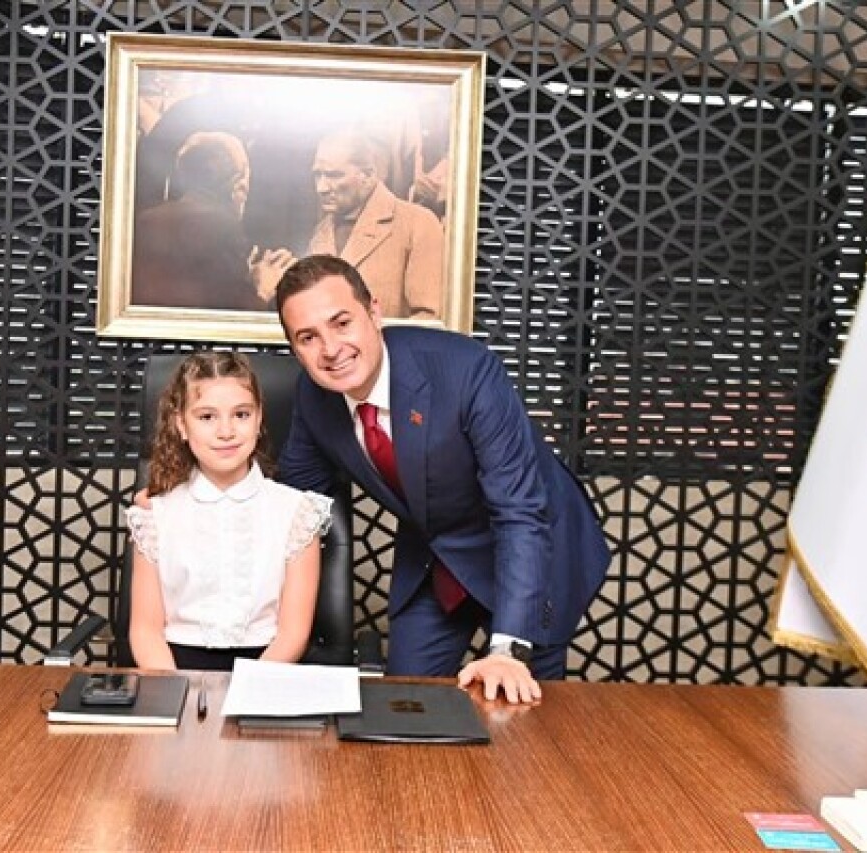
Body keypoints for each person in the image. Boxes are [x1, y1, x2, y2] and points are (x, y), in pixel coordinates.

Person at [274, 255, 610, 702]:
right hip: (436, 556)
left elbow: (519, 511)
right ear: (295, 349)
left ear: (374, 312)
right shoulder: (314, 397)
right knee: (404, 704)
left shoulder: (465, 370)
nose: (331, 349)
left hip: (530, 548)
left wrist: (507, 651)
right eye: (308, 337)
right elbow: (294, 501)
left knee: (522, 710)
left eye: (342, 323)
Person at [125, 352, 332, 671]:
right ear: (182, 424)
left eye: (241, 414)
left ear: (259, 419)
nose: (226, 431)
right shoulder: (155, 515)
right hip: (172, 669)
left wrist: (249, 689)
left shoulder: (298, 513)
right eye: (207, 417)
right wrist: (175, 689)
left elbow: (293, 634)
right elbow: (145, 631)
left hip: (268, 668)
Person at [132, 132, 293, 312]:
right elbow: (231, 316)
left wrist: (245, 278)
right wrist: (263, 289)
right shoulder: (223, 227)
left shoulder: (144, 221)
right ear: (239, 186)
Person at [302, 131, 444, 319]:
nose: (321, 188)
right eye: (317, 175)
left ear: (368, 175)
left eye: (334, 175)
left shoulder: (418, 224)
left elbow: (429, 319)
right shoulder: (320, 233)